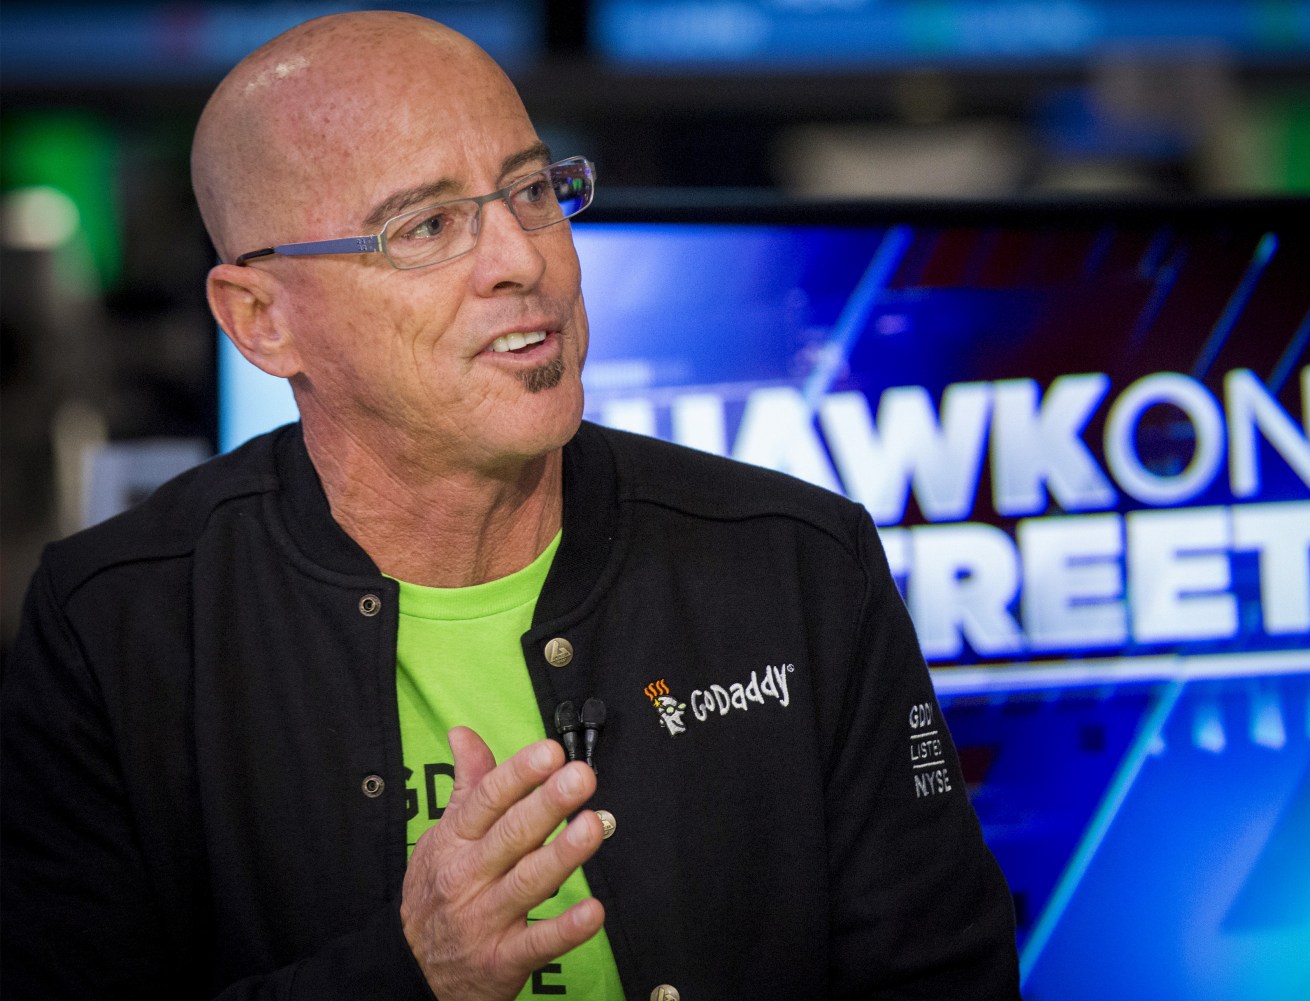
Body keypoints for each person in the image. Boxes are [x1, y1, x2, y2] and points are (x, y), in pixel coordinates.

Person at [0, 11, 1020, 1000]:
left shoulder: (802, 561)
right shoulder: (110, 625)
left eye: (532, 190)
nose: (525, 260)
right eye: (429, 225)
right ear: (262, 321)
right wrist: (410, 973)